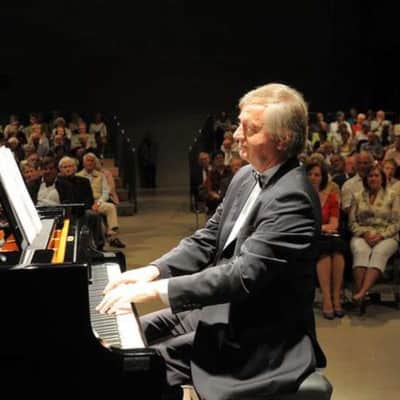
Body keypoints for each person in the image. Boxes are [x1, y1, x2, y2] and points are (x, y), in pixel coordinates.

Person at [96, 83, 327, 400]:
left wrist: (155, 291)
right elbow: (207, 238)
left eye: (250, 129)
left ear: (283, 138)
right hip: (216, 311)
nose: (236, 135)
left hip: (257, 337)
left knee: (130, 367)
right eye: (239, 124)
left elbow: (241, 276)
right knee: (117, 337)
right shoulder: (245, 176)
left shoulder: (293, 199)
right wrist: (152, 271)